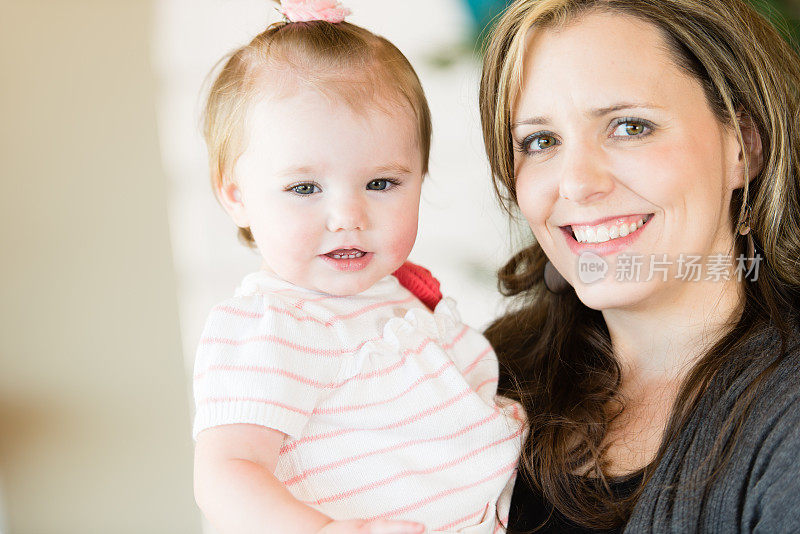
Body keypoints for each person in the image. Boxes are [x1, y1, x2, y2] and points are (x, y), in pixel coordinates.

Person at [191, 2, 524, 533]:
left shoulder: (405, 301)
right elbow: (226, 472)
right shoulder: (269, 327)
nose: (348, 217)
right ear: (236, 197)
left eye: (381, 183)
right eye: (305, 188)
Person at [478, 0, 800, 532]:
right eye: (540, 141)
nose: (577, 183)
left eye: (630, 127)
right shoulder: (491, 372)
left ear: (744, 146)